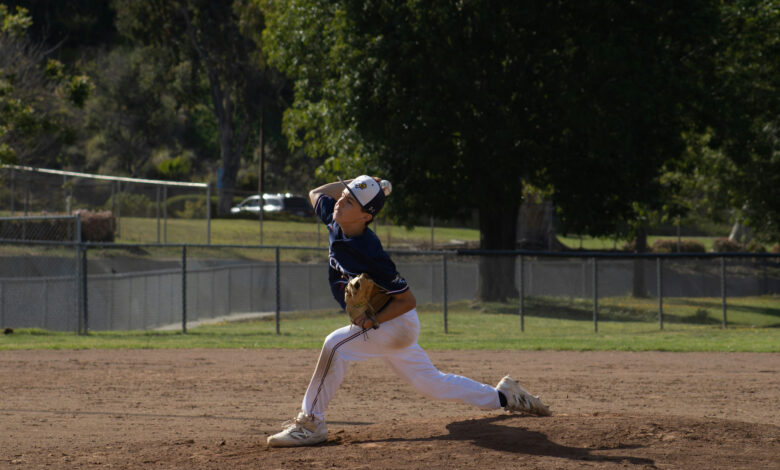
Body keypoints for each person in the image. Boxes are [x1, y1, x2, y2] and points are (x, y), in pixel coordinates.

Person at [267, 175, 550, 447]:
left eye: (350, 201)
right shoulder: (335, 216)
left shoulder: (370, 251)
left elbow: (407, 300)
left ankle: (311, 424)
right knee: (432, 384)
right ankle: (505, 397)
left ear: (366, 217)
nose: (340, 202)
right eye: (342, 196)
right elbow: (316, 193)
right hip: (387, 324)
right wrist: (356, 183)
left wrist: (370, 320)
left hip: (395, 322)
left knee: (335, 346)